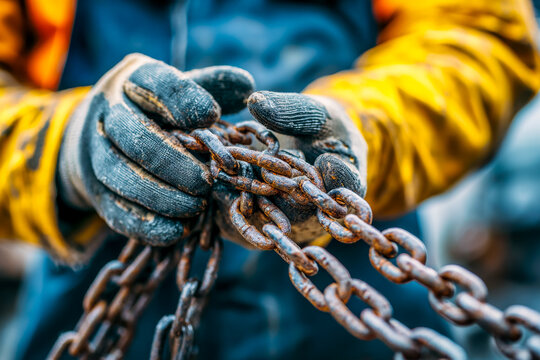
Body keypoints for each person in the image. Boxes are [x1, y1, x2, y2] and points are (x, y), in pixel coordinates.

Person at [1, 0, 538, 359]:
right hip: (103, 298)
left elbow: (478, 38)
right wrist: (65, 148)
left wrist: (361, 127)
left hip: (345, 285)